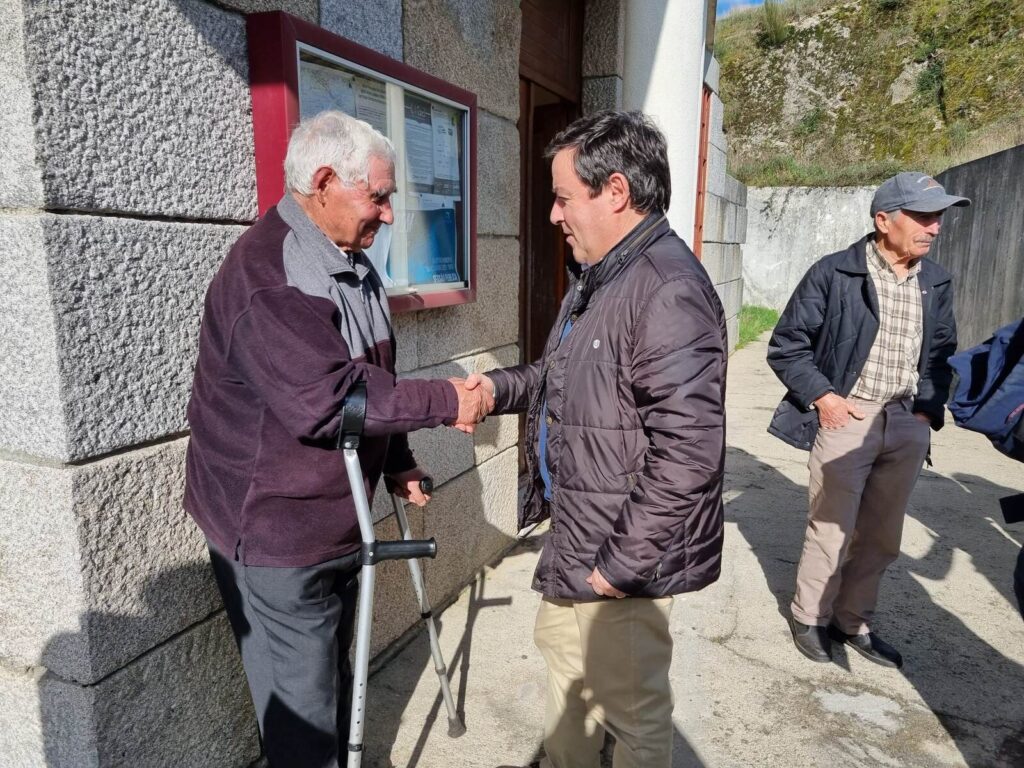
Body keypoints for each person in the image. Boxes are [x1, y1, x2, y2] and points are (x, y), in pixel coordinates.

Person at [183, 111, 490, 768]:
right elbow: (325, 401)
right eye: (376, 196)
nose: (386, 214)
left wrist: (400, 459)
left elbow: (374, 378)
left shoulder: (349, 260)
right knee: (305, 713)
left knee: (337, 677)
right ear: (323, 182)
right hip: (275, 536)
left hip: (338, 519)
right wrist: (449, 402)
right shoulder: (269, 278)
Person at [465, 110, 727, 768]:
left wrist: (620, 566)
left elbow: (689, 454)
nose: (554, 216)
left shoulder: (667, 292)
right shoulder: (602, 278)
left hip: (616, 555)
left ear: (614, 191)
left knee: (631, 712)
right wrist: (496, 388)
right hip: (578, 530)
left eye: (561, 197)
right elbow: (563, 378)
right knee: (566, 681)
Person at [767, 171, 969, 669]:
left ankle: (852, 620)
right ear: (884, 220)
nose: (934, 227)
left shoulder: (935, 281)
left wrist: (927, 408)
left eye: (938, 217)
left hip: (905, 422)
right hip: (847, 417)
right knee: (831, 529)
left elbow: (942, 351)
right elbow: (787, 345)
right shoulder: (835, 273)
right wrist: (826, 399)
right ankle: (809, 616)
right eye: (922, 216)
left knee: (881, 535)